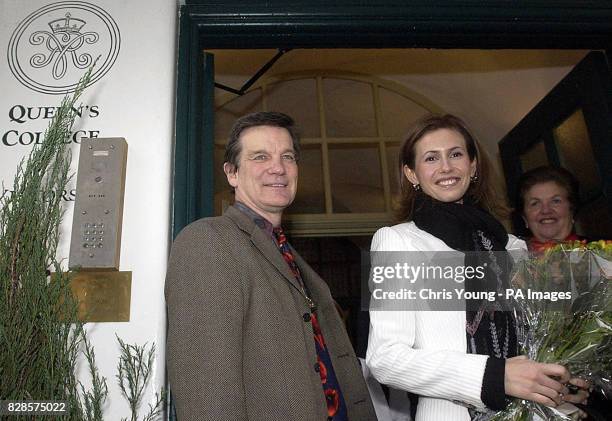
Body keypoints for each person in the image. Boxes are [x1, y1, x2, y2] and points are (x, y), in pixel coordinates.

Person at [366, 114, 588, 420]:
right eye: (431, 158)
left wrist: (561, 377)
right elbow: (385, 358)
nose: (446, 167)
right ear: (412, 173)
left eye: (455, 154)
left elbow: (534, 337)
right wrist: (493, 376)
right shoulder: (398, 242)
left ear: (472, 166)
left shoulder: (511, 246)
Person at [165, 111, 376, 421]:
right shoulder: (208, 241)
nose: (277, 168)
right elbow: (207, 393)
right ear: (232, 173)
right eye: (260, 157)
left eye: (287, 157)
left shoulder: (288, 256)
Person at [516, 165, 584, 251]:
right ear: (525, 218)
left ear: (572, 210)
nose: (545, 210)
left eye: (555, 201)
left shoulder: (601, 256)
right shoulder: (510, 261)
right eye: (535, 203)